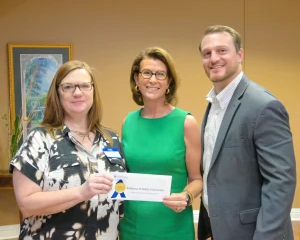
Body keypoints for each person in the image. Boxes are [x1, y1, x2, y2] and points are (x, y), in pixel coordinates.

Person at [197, 25, 296, 240]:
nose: (214, 59)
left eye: (222, 50)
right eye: (207, 53)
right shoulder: (213, 104)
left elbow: (281, 182)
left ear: (240, 55)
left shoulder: (263, 105)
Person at [9, 60, 126, 240]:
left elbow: (122, 195)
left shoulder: (112, 139)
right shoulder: (40, 139)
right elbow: (26, 204)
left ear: (93, 90)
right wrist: (81, 192)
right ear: (57, 93)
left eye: (85, 86)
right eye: (68, 87)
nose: (77, 92)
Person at [119, 46, 202, 240]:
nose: (153, 80)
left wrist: (187, 197)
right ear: (136, 79)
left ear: (169, 81)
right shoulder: (128, 122)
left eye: (160, 74)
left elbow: (197, 179)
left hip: (173, 226)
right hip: (133, 226)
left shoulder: (186, 122)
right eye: (146, 73)